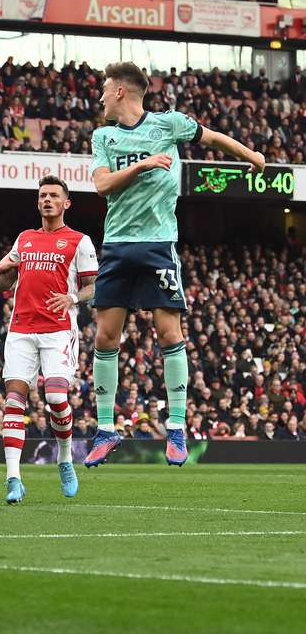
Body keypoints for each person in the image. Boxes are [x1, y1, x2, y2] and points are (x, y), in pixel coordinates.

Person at [84, 62, 265, 468]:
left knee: (169, 333)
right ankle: (106, 430)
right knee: (106, 338)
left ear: (120, 92)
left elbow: (213, 138)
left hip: (158, 245)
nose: (100, 96)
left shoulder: (170, 124)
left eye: (105, 88)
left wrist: (251, 155)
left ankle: (178, 427)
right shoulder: (104, 136)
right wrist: (142, 165)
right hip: (117, 246)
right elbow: (101, 185)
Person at [0, 176, 98, 503]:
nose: (47, 200)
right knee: (14, 402)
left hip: (58, 330)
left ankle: (65, 457)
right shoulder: (24, 239)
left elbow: (93, 286)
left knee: (55, 397)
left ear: (67, 203)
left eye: (54, 195)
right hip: (21, 331)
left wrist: (73, 298)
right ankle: (13, 478)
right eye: (42, 195)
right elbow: (3, 282)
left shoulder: (79, 241)